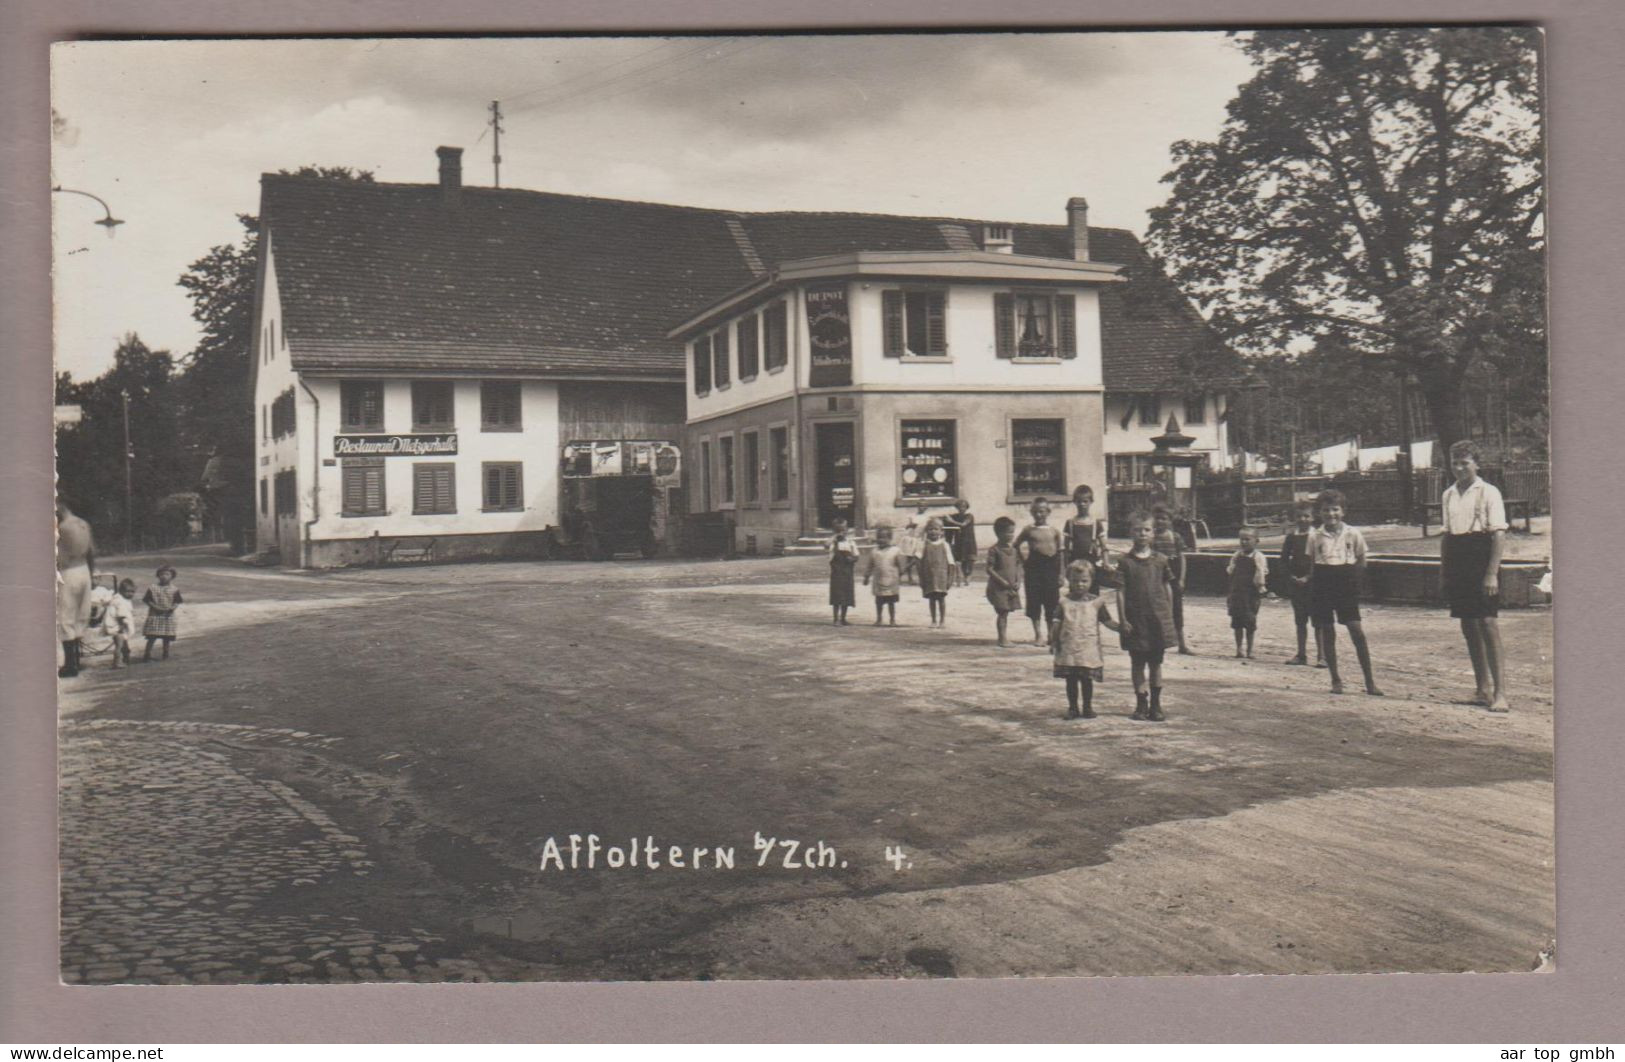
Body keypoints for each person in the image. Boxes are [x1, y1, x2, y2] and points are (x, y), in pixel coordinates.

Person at [1440, 440, 1511, 711]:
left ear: (1476, 464)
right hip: (1458, 557)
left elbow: (1499, 534)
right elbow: (1447, 536)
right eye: (1454, 463)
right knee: (1468, 624)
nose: (1459, 468)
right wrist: (1445, 572)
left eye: (1464, 463)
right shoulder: (1448, 494)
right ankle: (1482, 689)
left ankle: (1500, 693)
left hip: (1481, 556)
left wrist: (1491, 573)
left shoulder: (1489, 492)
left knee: (1488, 623)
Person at [1309, 490, 1384, 696]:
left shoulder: (1353, 533)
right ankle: (1335, 679)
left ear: (1343, 511)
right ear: (1319, 513)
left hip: (1345, 581)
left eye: (1335, 509)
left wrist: (1354, 582)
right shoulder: (1315, 535)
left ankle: (1369, 681)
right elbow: (1312, 563)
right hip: (1323, 582)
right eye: (1326, 510)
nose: (1330, 514)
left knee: (1356, 631)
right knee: (1327, 631)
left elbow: (1361, 559)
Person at [1117, 511, 1177, 721]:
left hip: (1156, 621)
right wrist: (1123, 619)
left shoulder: (1161, 560)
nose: (1142, 534)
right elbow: (1120, 592)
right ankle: (1141, 703)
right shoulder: (1125, 562)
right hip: (1136, 621)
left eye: (1146, 530)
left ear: (1153, 533)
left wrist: (1168, 615)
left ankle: (1156, 704)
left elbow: (1167, 587)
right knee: (1137, 663)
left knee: (1156, 663)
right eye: (1137, 530)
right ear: (1130, 533)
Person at [1051, 560, 1124, 719]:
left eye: (1084, 581)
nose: (1080, 585)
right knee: (1071, 680)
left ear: (1091, 580)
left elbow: (1107, 621)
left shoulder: (1096, 602)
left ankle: (1087, 707)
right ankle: (1072, 708)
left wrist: (1122, 628)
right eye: (1075, 581)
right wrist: (1054, 640)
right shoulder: (1063, 602)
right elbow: (1056, 622)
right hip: (1068, 647)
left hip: (1088, 649)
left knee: (1086, 680)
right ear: (1069, 580)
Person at [1279, 502, 1324, 667]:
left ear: (1313, 517)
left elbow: (1320, 560)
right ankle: (1301, 654)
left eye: (1306, 516)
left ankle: (1322, 656)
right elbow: (1283, 560)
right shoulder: (1291, 537)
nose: (1303, 519)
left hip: (1315, 584)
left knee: (1318, 621)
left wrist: (1309, 577)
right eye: (1299, 516)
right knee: (1300, 620)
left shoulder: (1318, 535)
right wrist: (1291, 577)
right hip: (1296, 585)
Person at [1016, 497, 1065, 647]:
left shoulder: (1054, 531)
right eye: (1036, 512)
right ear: (1031, 512)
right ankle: (1038, 634)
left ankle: (1051, 634)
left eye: (1042, 511)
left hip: (1051, 568)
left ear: (1048, 512)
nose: (1039, 515)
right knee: (1034, 602)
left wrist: (1061, 573)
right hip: (1034, 568)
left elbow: (1061, 553)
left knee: (1051, 602)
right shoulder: (1028, 530)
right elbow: (1016, 545)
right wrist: (1024, 561)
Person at [55, 501, 96, 678]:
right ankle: (78, 661)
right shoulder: (83, 524)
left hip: (68, 571)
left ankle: (70, 665)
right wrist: (91, 575)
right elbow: (92, 551)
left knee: (65, 617)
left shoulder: (61, 527)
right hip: (84, 569)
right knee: (81, 615)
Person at [1151, 503, 1193, 654]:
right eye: (1157, 518)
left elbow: (1182, 558)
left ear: (1170, 520)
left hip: (1173, 576)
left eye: (1164, 518)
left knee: (1177, 609)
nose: (1160, 521)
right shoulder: (1151, 537)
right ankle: (1157, 641)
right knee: (1157, 608)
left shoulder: (1175, 537)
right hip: (1157, 576)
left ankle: (1182, 644)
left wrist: (1181, 579)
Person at [1227, 526, 1268, 660]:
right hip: (1237, 593)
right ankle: (1239, 649)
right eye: (1241, 539)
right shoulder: (1236, 555)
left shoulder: (1259, 557)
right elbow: (1230, 571)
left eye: (1247, 539)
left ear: (1256, 541)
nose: (1244, 542)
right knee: (1237, 621)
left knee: (1250, 621)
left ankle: (1250, 650)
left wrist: (1260, 587)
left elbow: (1261, 573)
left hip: (1251, 594)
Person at [1063, 484, 1114, 587]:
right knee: (1076, 589)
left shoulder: (1096, 523)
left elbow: (1104, 547)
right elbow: (1065, 549)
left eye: (1085, 501)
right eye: (1079, 501)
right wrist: (1065, 567)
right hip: (1075, 562)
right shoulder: (1070, 523)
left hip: (1092, 562)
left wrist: (1106, 562)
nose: (1082, 504)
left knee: (1093, 590)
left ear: (1091, 502)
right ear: (1074, 502)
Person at [984, 516, 1023, 648]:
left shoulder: (1014, 550)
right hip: (999, 588)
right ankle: (1002, 638)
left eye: (1012, 532)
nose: (1011, 535)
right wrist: (1001, 581)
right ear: (998, 533)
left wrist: (1018, 580)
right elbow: (989, 569)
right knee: (1002, 612)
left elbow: (1018, 566)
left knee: (1006, 612)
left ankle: (1004, 637)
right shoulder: (994, 550)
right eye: (1007, 532)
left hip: (1011, 587)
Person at [916, 518, 956, 629]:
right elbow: (918, 560)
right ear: (926, 531)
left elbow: (951, 563)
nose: (933, 531)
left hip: (941, 577)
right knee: (931, 599)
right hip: (929, 576)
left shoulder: (945, 545)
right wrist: (921, 577)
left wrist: (950, 579)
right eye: (930, 529)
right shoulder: (924, 545)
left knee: (941, 599)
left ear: (941, 531)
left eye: (936, 529)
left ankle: (942, 620)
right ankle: (933, 620)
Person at [861, 525, 904, 627]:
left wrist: (901, 572)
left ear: (890, 539)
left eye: (884, 537)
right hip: (878, 581)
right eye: (879, 537)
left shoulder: (895, 551)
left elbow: (900, 564)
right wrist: (866, 577)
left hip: (891, 581)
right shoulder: (874, 552)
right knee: (879, 602)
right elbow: (870, 566)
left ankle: (892, 620)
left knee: (891, 602)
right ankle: (879, 619)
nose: (881, 540)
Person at [142, 565, 184, 662]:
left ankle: (165, 654)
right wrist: (156, 607)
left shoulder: (174, 589)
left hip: (168, 616)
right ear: (158, 575)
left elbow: (177, 601)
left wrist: (172, 608)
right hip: (155, 615)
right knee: (152, 636)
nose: (164, 576)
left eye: (167, 574)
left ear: (172, 576)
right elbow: (147, 600)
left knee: (166, 637)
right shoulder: (153, 588)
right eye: (161, 574)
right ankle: (147, 655)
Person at [827, 517, 858, 626]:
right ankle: (836, 618)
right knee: (836, 595)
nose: (841, 533)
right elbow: (826, 546)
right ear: (834, 531)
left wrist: (852, 559)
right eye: (838, 530)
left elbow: (856, 555)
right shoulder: (833, 542)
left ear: (847, 530)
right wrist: (834, 537)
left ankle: (843, 618)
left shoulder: (850, 542)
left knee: (846, 595)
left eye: (843, 530)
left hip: (847, 571)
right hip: (837, 572)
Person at [102, 579, 137, 669]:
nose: (130, 594)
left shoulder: (122, 599)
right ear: (121, 591)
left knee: (124, 643)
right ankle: (117, 662)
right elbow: (121, 616)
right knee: (119, 645)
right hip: (117, 626)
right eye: (128, 591)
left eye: (132, 592)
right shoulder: (119, 601)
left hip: (118, 625)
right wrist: (122, 626)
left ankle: (126, 658)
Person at [944, 499, 977, 587]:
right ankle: (963, 576)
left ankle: (968, 576)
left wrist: (951, 521)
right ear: (957, 507)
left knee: (969, 559)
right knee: (961, 559)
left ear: (966, 507)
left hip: (969, 540)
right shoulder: (955, 516)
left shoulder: (969, 516)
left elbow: (963, 524)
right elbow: (945, 518)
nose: (962, 508)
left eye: (964, 507)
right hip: (959, 540)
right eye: (960, 507)